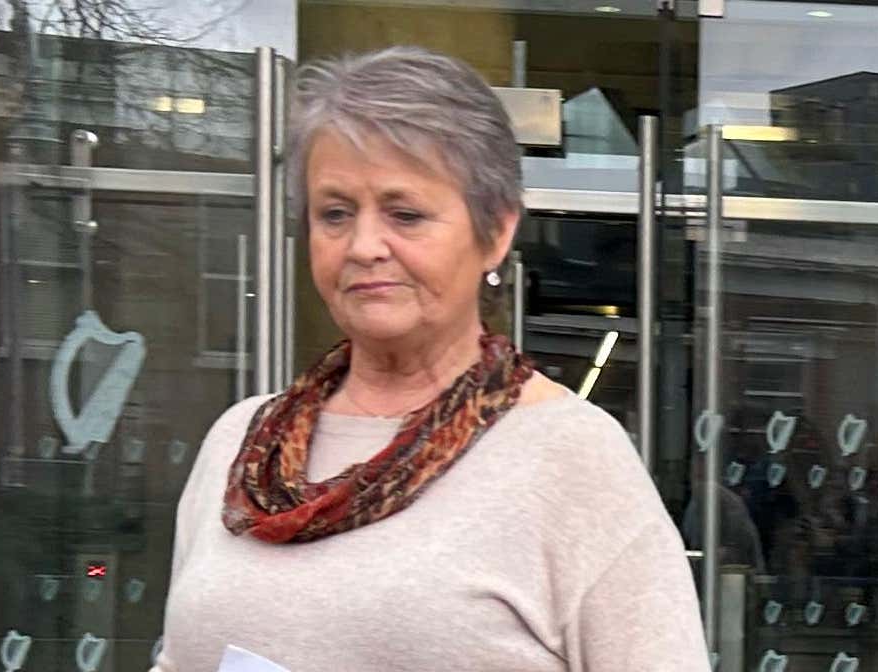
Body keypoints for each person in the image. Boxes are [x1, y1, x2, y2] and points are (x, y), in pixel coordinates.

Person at [151, 46, 709, 672]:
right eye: (334, 213)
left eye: (404, 214)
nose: (364, 246)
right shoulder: (242, 445)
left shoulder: (572, 460)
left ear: (495, 231)